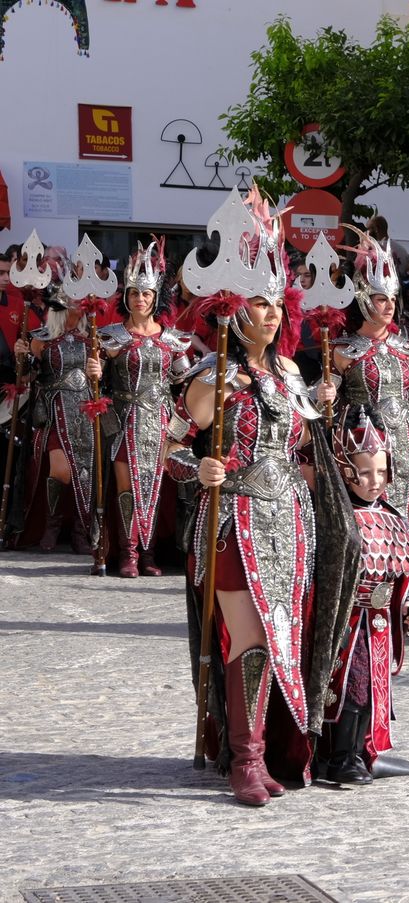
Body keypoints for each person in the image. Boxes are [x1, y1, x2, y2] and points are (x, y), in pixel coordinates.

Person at [163, 186, 351, 806]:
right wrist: (202, 467)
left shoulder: (292, 374)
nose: (269, 316)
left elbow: (304, 450)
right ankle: (244, 760)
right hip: (233, 519)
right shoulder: (208, 374)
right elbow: (170, 447)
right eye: (258, 304)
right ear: (231, 308)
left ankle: (267, 753)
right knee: (247, 637)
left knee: (279, 638)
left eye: (276, 304)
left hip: (290, 521)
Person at [319, 407, 409, 785]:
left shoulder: (391, 514)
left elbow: (406, 567)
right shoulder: (335, 516)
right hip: (347, 621)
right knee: (349, 689)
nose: (376, 481)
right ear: (345, 470)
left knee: (376, 688)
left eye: (381, 472)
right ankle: (342, 758)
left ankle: (368, 751)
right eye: (366, 472)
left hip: (380, 621)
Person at [323, 231, 409, 543]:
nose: (389, 306)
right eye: (381, 299)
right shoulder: (342, 350)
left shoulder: (407, 349)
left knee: (404, 520)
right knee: (366, 526)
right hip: (361, 450)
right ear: (363, 299)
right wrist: (322, 395)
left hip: (405, 448)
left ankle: (405, 590)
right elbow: (324, 407)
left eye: (392, 299)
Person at [88, 240, 193, 577]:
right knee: (126, 489)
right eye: (134, 293)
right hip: (124, 420)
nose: (140, 299)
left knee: (154, 488)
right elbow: (95, 380)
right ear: (126, 297)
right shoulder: (111, 336)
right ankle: (128, 555)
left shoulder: (173, 339)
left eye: (146, 294)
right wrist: (95, 372)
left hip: (160, 422)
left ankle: (149, 555)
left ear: (155, 298)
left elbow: (184, 382)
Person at [12, 256, 97, 554]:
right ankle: (51, 525)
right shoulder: (40, 338)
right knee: (60, 469)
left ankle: (80, 531)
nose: (78, 304)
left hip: (86, 412)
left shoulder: (94, 337)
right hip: (52, 410)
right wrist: (21, 356)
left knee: (85, 470)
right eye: (73, 299)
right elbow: (26, 377)